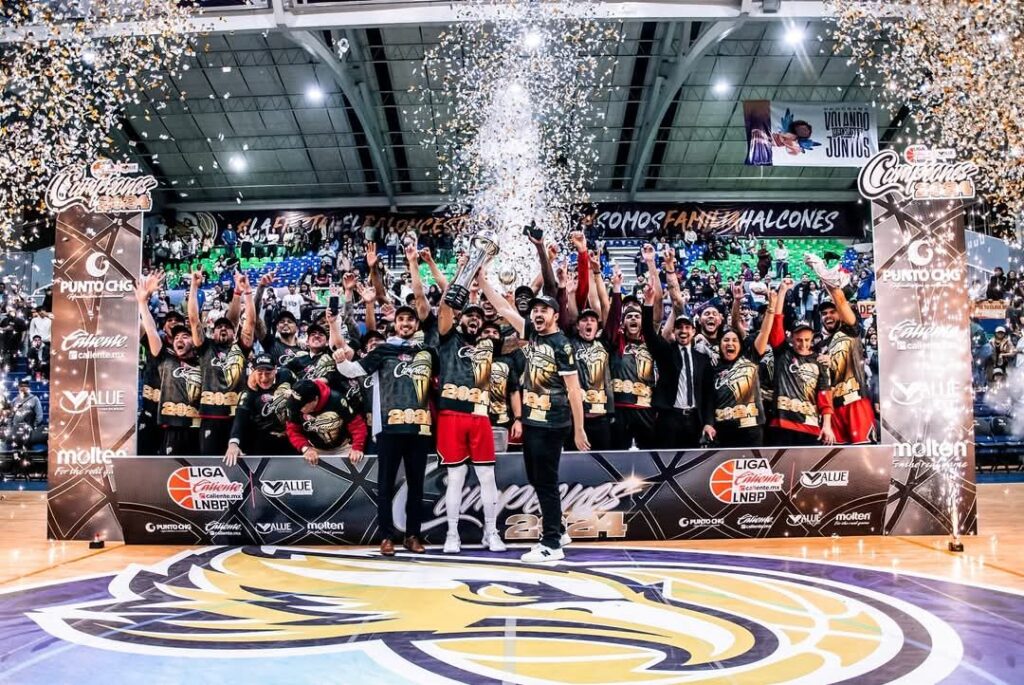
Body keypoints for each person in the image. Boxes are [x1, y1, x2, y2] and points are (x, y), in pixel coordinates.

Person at [480, 278, 589, 563]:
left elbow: (574, 390)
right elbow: (504, 309)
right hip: (532, 421)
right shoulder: (533, 334)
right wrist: (481, 278)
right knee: (537, 479)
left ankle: (552, 543)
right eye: (535, 311)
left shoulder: (561, 345)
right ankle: (560, 528)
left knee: (546, 482)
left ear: (555, 316)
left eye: (544, 310)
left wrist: (578, 429)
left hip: (552, 423)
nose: (538, 314)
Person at [334, 300, 435, 556]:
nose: (405, 323)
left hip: (420, 428)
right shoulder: (383, 350)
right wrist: (339, 359)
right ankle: (386, 537)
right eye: (401, 319)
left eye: (410, 319)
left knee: (416, 486)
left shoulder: (428, 351)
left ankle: (413, 536)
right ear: (394, 323)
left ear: (416, 324)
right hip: (388, 428)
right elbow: (353, 370)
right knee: (386, 485)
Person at [433, 295, 505, 554]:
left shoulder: (489, 343)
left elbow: (520, 334)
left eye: (478, 316)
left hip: (480, 415)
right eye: (469, 315)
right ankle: (452, 535)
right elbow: (443, 310)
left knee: (487, 476)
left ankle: (491, 532)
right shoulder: (447, 337)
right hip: (451, 414)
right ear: (459, 319)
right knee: (456, 477)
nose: (474, 318)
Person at [640, 283, 715, 449]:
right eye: (679, 328)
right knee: (666, 463)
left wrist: (709, 422)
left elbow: (708, 394)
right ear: (673, 332)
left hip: (694, 420)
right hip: (669, 418)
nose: (683, 331)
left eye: (687, 327)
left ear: (694, 331)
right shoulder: (666, 352)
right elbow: (648, 333)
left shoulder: (703, 359)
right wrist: (648, 303)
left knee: (690, 465)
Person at [188, 271, 255, 456]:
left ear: (235, 333)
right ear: (212, 332)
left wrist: (247, 292)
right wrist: (194, 287)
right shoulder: (205, 347)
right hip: (210, 416)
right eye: (219, 327)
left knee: (241, 466)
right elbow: (194, 321)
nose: (223, 328)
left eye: (227, 326)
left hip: (237, 417)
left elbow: (250, 322)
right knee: (209, 467)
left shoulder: (240, 348)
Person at [136, 273, 201, 456]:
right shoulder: (161, 350)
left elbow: (195, 322)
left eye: (178, 323)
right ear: (164, 327)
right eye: (169, 321)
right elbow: (147, 327)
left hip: (182, 421)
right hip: (152, 410)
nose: (173, 324)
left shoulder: (199, 355)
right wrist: (143, 300)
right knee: (148, 459)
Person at [766, 280, 835, 446]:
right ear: (791, 338)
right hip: (781, 424)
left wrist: (827, 426)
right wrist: (782, 292)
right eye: (798, 340)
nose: (803, 344)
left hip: (809, 426)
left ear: (812, 339)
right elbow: (777, 322)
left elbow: (825, 396)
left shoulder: (819, 360)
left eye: (806, 340)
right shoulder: (783, 352)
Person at [712, 291, 776, 447]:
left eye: (734, 340)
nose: (730, 343)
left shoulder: (750, 358)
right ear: (719, 345)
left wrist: (771, 306)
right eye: (726, 340)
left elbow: (764, 331)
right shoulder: (713, 367)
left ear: (740, 346)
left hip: (751, 428)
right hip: (723, 430)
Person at [225, 354, 297, 462]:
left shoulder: (287, 376)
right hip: (263, 438)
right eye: (259, 373)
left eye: (268, 373)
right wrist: (233, 443)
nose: (264, 378)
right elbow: (240, 417)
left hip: (291, 436)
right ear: (252, 371)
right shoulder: (249, 390)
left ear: (275, 369)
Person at [285, 378, 367, 465]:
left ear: (315, 399)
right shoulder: (294, 406)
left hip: (343, 447)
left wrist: (357, 447)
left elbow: (357, 425)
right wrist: (305, 448)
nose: (299, 409)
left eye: (302, 406)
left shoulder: (337, 400)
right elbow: (292, 430)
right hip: (314, 449)